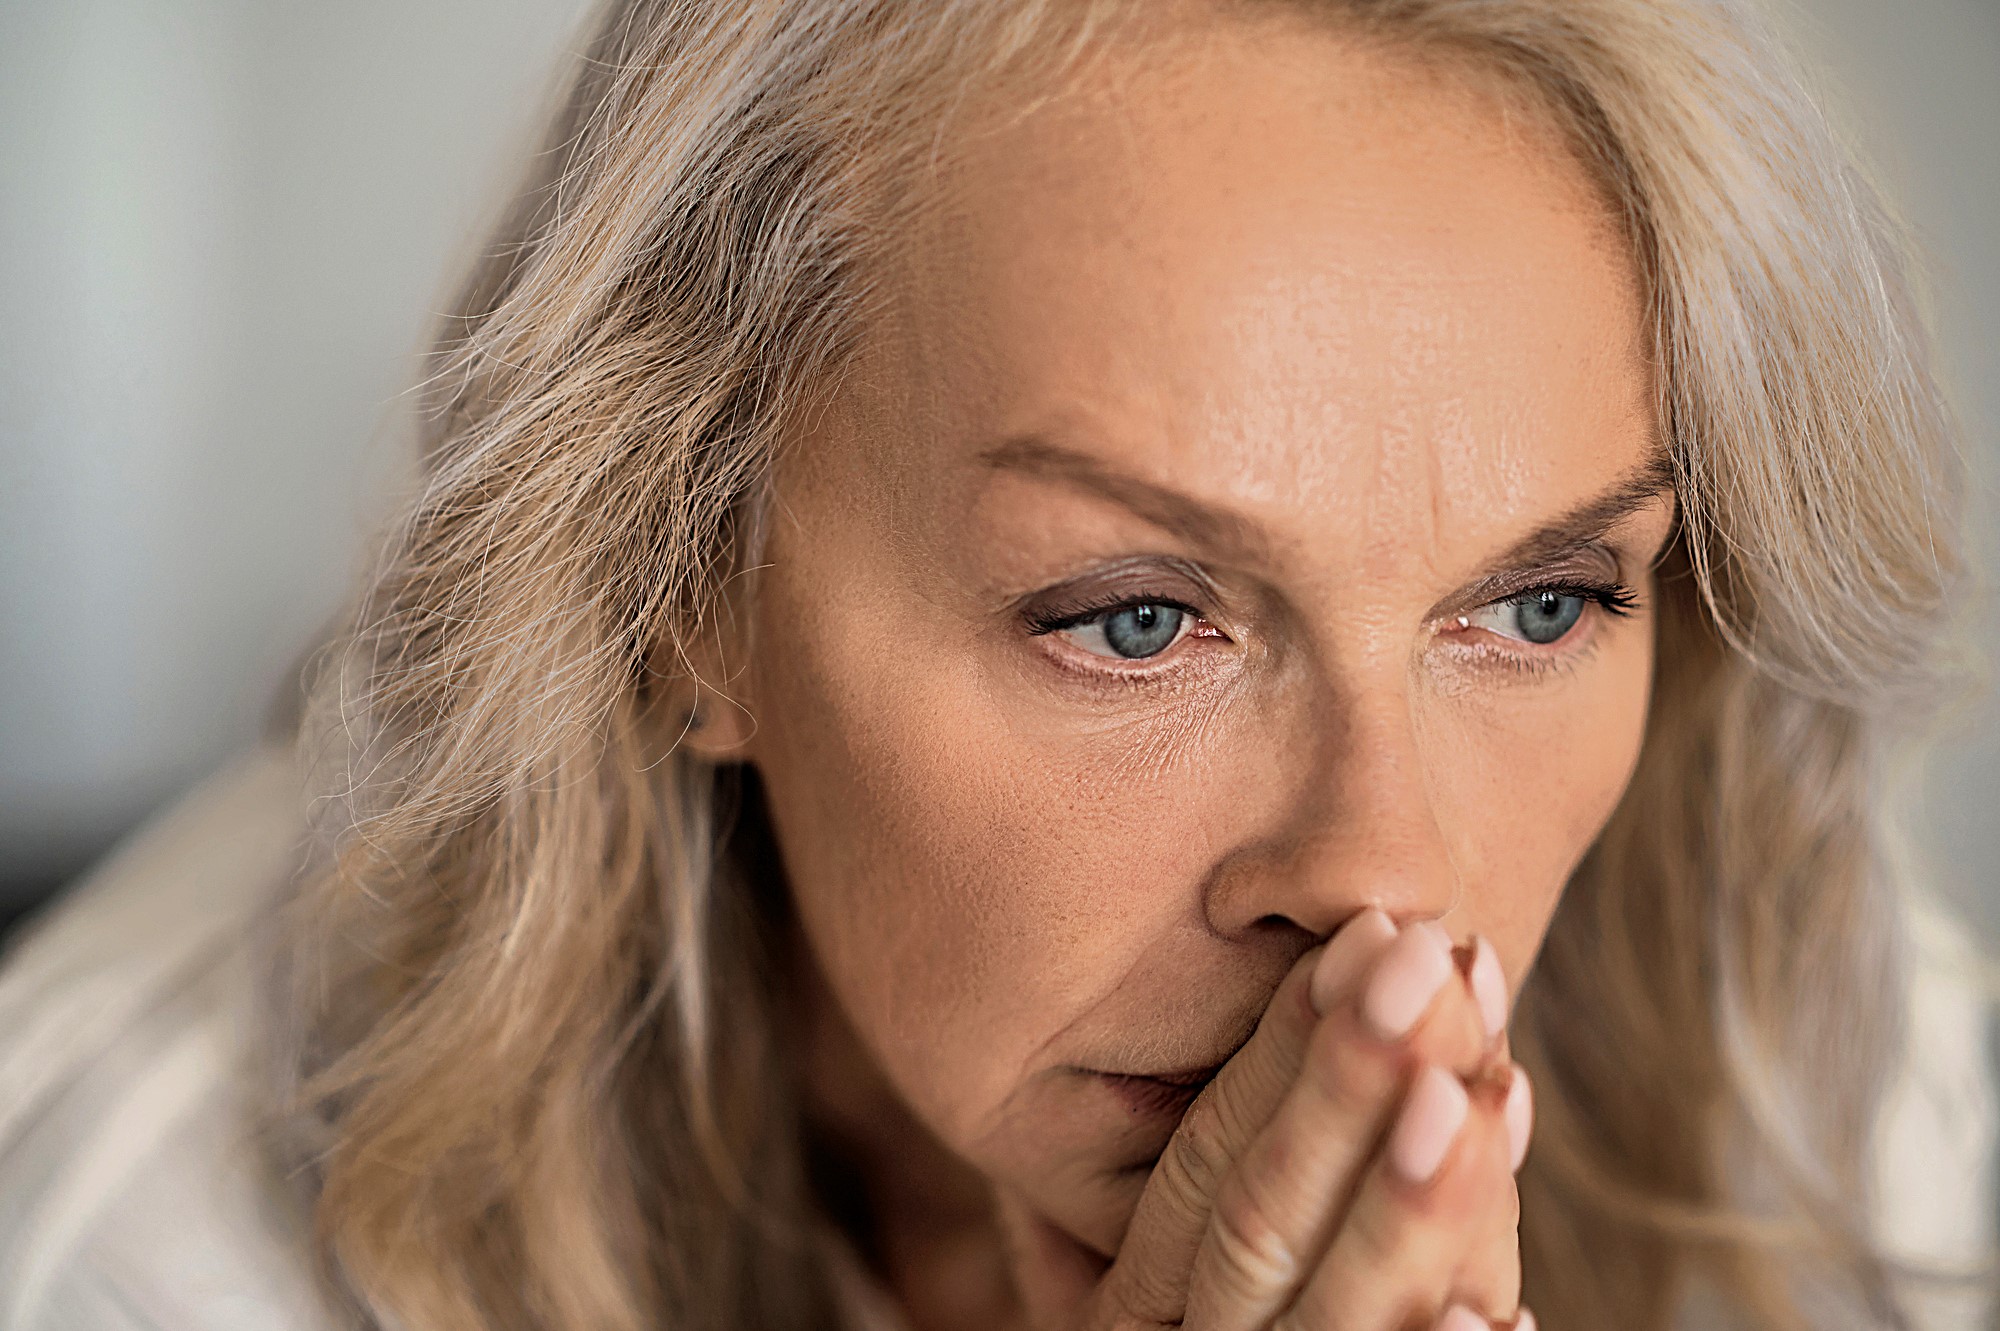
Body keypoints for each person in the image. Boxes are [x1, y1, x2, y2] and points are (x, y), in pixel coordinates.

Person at [0, 0, 1994, 1327]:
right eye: (1137, 619)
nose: (1391, 882)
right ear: (680, 582)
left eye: (1541, 606)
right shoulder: (145, 1239)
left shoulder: (1811, 1056)